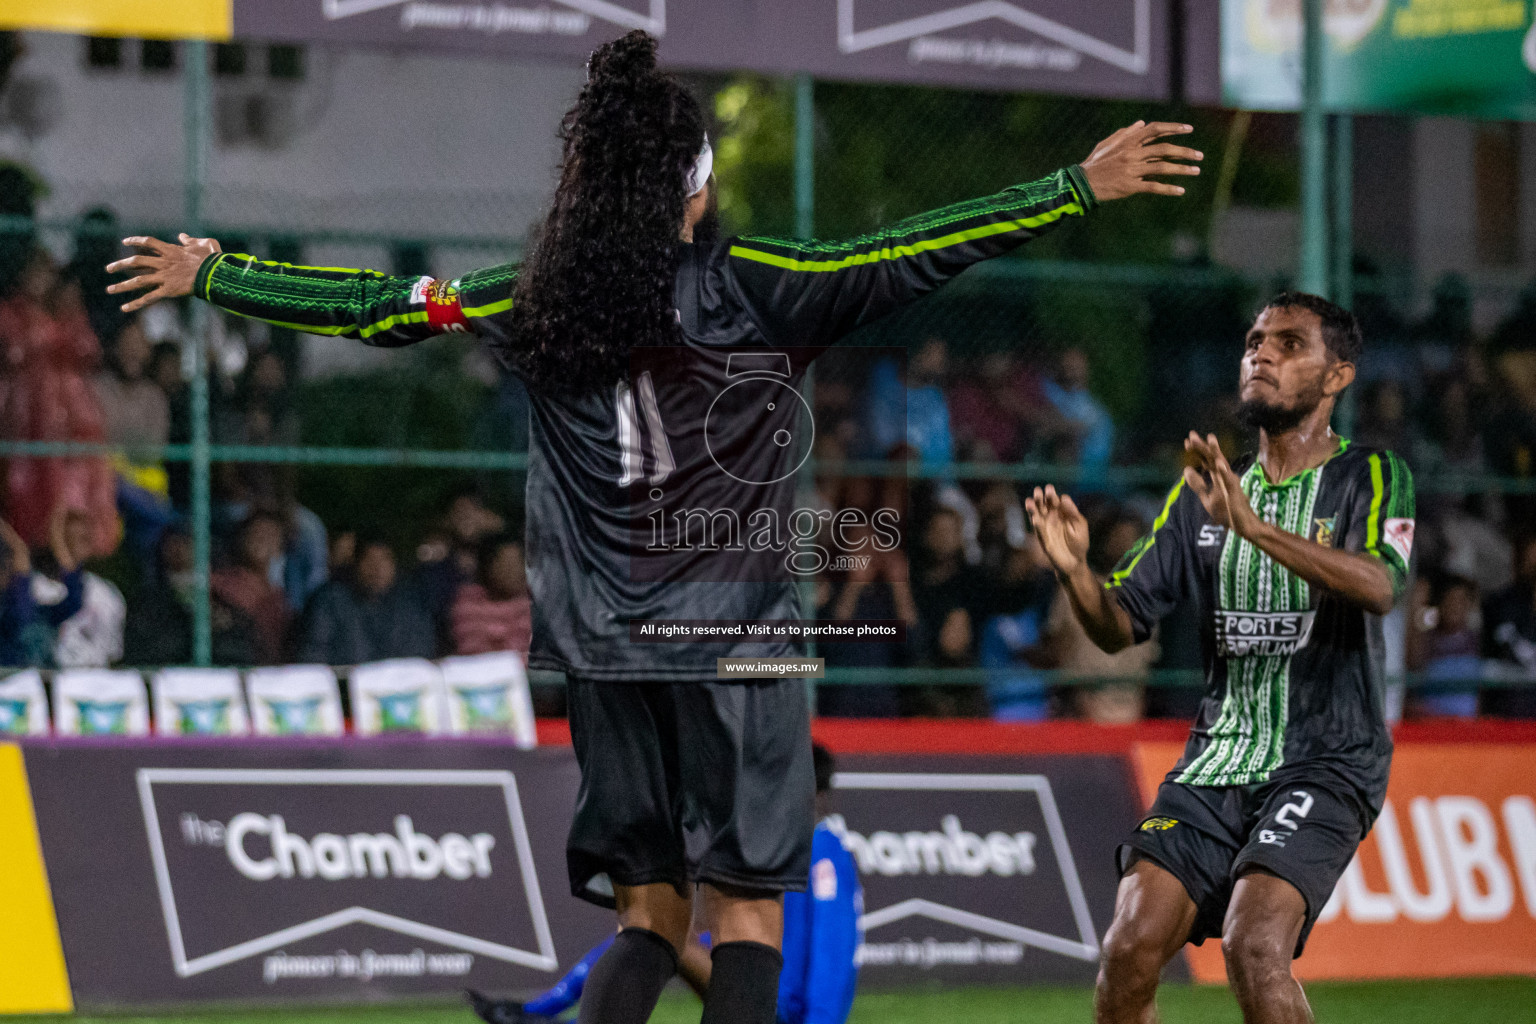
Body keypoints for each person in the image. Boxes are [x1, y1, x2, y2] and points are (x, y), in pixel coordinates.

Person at [109, 30, 1199, 1024]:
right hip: (739, 645)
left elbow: (380, 307)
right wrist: (1073, 186)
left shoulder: (526, 297)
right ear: (695, 188)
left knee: (647, 918)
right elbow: (910, 248)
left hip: (604, 648)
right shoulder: (760, 283)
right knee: (749, 920)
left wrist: (217, 272)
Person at [1027, 293, 1414, 1024]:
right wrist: (1076, 571)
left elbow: (1378, 585)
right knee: (1129, 948)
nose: (1261, 353)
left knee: (1253, 943)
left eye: (1289, 344)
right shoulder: (1200, 494)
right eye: (1254, 341)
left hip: (1326, 759)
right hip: (1216, 761)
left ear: (1337, 377)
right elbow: (1117, 627)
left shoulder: (1372, 475)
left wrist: (1256, 527)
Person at [467, 744, 862, 1024]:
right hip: (766, 997)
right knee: (661, 934)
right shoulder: (798, 847)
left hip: (780, 1012)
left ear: (808, 790)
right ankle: (540, 1015)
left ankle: (536, 1014)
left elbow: (833, 950)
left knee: (657, 933)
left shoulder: (822, 854)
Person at [297, 535, 436, 664]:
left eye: (384, 559)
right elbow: (314, 655)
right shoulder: (330, 601)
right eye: (370, 559)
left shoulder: (411, 602)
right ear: (356, 564)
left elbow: (421, 657)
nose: (377, 568)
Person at [210, 510, 292, 664]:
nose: (261, 540)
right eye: (255, 533)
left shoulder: (280, 598)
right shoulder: (217, 584)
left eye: (270, 536)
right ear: (242, 539)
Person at [450, 533, 533, 657]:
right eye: (507, 565)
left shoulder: (537, 605)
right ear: (488, 567)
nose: (515, 572)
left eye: (518, 564)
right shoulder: (468, 604)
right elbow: (473, 653)